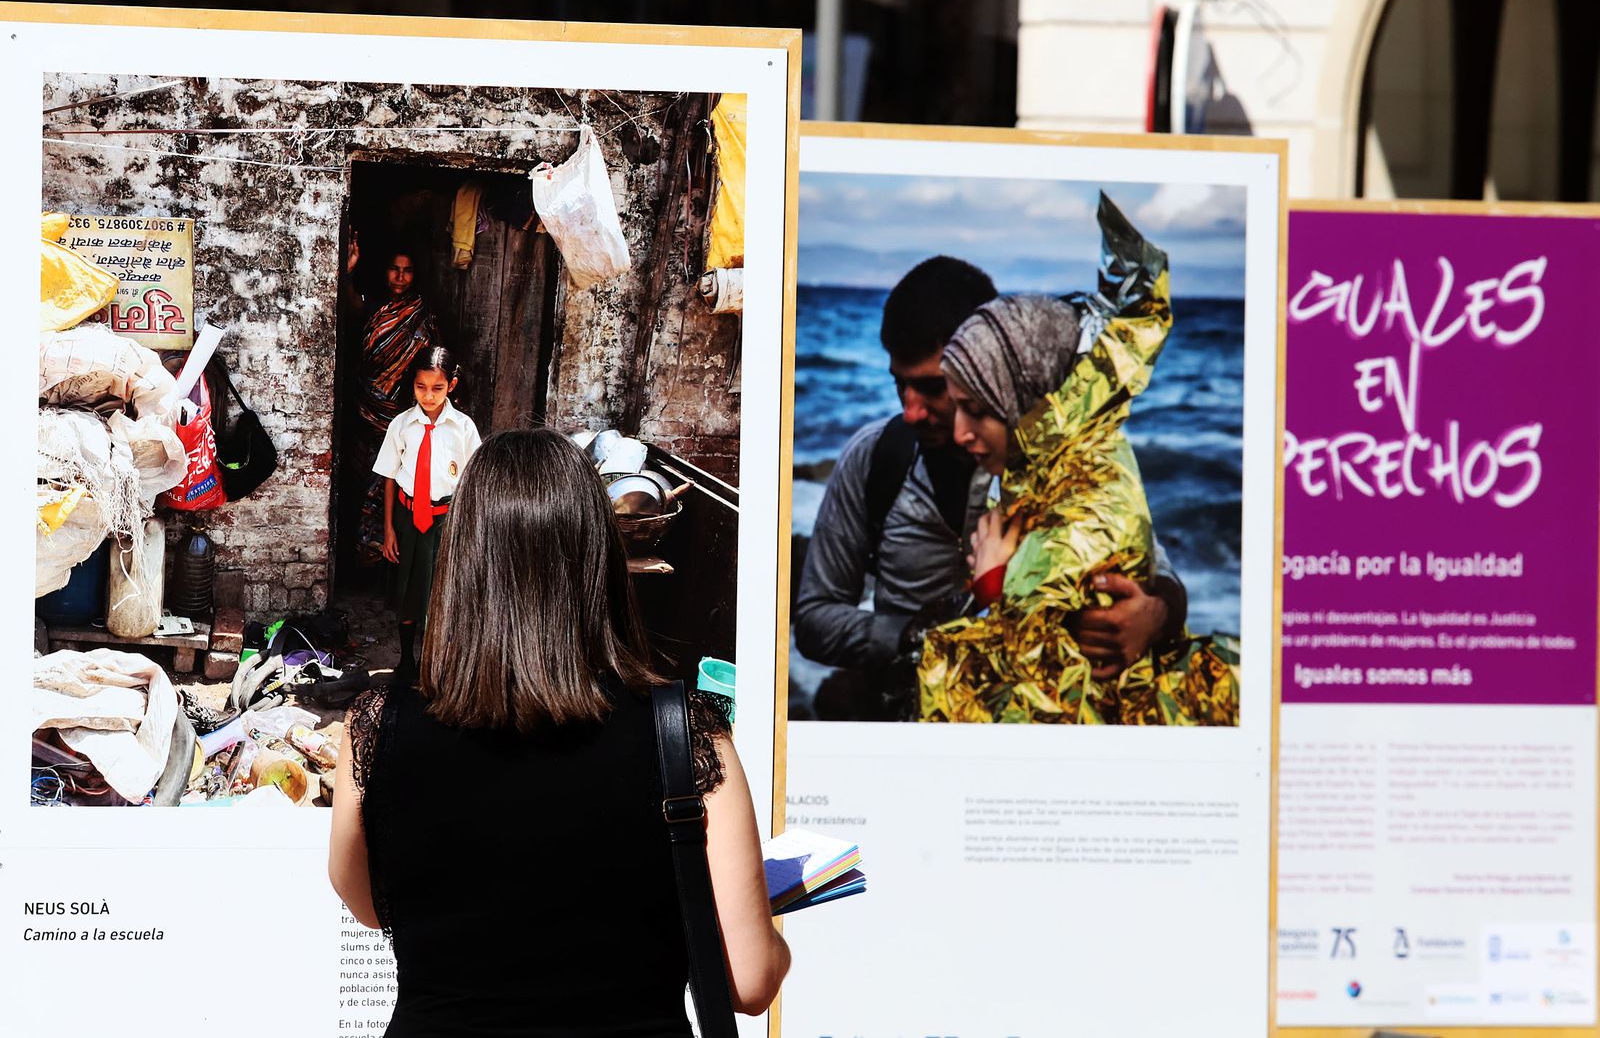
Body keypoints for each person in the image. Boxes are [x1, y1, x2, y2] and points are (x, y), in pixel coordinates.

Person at [329, 429, 790, 1036]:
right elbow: (751, 982)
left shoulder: (376, 728)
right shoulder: (685, 734)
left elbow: (368, 905)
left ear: (462, 561)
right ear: (599, 559)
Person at [919, 193, 1236, 727]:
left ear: (1030, 402)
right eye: (955, 408)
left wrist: (992, 589)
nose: (960, 432)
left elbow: (1038, 705)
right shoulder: (1046, 468)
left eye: (976, 410)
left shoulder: (1083, 504)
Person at [794, 257, 997, 719]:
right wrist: (909, 636)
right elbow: (814, 620)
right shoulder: (875, 455)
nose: (910, 411)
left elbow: (1157, 586)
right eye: (899, 385)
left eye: (930, 388)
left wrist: (1153, 610)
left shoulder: (1052, 462)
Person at [371, 347, 480, 683]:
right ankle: (406, 660)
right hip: (407, 520)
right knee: (406, 591)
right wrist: (388, 528)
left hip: (446, 520)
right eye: (421, 387)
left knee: (439, 591)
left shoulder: (463, 428)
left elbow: (473, 482)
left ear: (452, 385)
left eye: (437, 388)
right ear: (413, 386)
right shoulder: (401, 425)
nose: (429, 396)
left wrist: (466, 531)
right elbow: (389, 478)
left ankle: (435, 664)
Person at [346, 237, 442, 564]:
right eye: (394, 269)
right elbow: (352, 306)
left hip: (397, 415)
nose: (400, 277)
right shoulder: (372, 305)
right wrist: (348, 272)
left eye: (407, 271)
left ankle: (379, 556)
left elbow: (429, 368)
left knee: (389, 480)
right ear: (385, 271)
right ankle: (359, 555)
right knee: (361, 478)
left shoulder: (422, 316)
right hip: (364, 409)